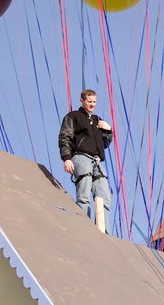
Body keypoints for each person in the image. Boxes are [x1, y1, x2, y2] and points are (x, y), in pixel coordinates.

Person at [58, 89, 113, 232]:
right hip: (81, 157)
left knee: (105, 198)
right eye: (89, 102)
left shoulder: (97, 120)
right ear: (81, 101)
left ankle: (103, 232)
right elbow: (65, 137)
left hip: (97, 161)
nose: (92, 105)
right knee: (84, 195)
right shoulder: (73, 117)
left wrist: (109, 131)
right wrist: (67, 158)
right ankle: (84, 229)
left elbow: (104, 144)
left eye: (94, 102)